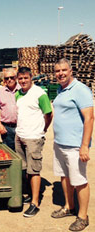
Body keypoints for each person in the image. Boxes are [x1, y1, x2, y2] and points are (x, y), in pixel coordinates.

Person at [51, 59, 94, 231]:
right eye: (57, 71)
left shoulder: (80, 90)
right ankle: (69, 207)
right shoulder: (61, 89)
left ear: (71, 70)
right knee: (64, 176)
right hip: (60, 143)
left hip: (75, 145)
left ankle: (83, 217)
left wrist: (84, 145)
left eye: (63, 70)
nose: (60, 73)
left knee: (79, 180)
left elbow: (89, 118)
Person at [15, 67, 52, 218]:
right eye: (20, 78)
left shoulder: (40, 94)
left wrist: (42, 130)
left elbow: (48, 113)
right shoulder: (18, 94)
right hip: (20, 136)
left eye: (25, 78)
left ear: (31, 78)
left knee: (34, 170)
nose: (23, 81)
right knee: (24, 169)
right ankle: (30, 194)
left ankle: (35, 203)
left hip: (33, 137)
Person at [0, 67, 20, 151]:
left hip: (22, 127)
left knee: (23, 154)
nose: (9, 80)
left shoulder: (23, 90)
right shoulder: (0, 92)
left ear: (16, 78)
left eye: (12, 77)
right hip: (7, 129)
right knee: (9, 153)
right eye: (6, 78)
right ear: (4, 79)